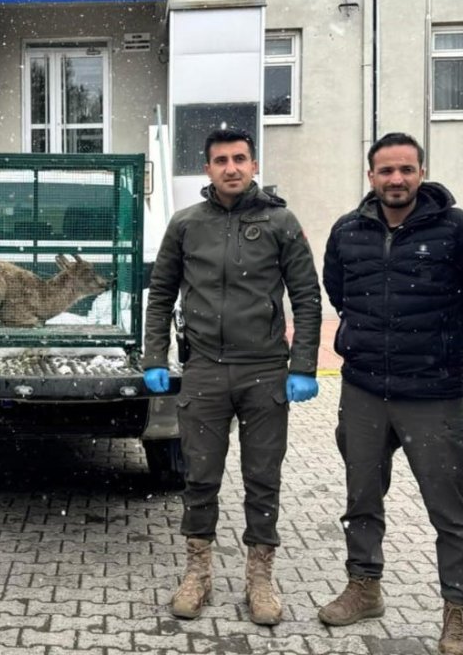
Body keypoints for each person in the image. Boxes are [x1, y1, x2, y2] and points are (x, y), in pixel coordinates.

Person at [318, 132, 463, 655]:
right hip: (364, 388)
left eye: (406, 170)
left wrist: (444, 347)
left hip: (434, 394)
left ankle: (459, 611)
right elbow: (339, 290)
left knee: (450, 512)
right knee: (362, 500)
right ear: (371, 176)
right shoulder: (348, 231)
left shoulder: (459, 230)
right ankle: (364, 588)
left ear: (421, 172)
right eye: (386, 171)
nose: (396, 179)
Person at [142, 127, 323, 626]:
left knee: (262, 479)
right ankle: (198, 572)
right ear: (207, 169)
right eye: (220, 160)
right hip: (204, 372)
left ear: (254, 164)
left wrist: (302, 365)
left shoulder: (281, 222)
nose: (231, 168)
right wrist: (155, 357)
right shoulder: (186, 225)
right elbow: (160, 296)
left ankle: (259, 576)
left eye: (240, 158)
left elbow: (307, 297)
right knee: (199, 477)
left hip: (264, 372)